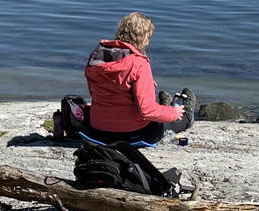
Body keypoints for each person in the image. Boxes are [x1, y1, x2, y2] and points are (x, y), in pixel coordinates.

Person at [83, 12, 195, 145]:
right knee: (174, 120)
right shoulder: (138, 63)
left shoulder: (97, 58)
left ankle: (164, 105)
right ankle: (186, 114)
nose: (147, 43)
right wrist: (173, 113)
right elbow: (146, 110)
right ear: (140, 37)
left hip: (98, 130)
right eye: (147, 37)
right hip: (132, 134)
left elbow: (93, 93)